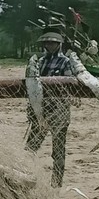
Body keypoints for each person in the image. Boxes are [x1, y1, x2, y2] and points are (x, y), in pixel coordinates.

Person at [25, 27, 74, 188]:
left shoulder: (66, 61)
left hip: (59, 110)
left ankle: (56, 183)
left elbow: (69, 83)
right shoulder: (40, 62)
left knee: (58, 150)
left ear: (59, 44)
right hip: (42, 109)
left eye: (52, 43)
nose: (49, 46)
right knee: (30, 147)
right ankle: (26, 178)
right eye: (47, 43)